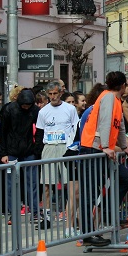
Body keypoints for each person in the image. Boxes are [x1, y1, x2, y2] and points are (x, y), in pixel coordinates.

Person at [79, 72, 128, 246]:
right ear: (122, 85)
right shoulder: (107, 98)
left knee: (125, 177)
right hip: (93, 148)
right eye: (127, 85)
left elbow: (119, 125)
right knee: (89, 192)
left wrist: (124, 146)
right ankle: (87, 233)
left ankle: (105, 212)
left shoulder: (116, 101)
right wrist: (106, 146)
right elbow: (106, 122)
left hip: (100, 149)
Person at [34, 81, 79, 230]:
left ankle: (72, 217)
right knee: (46, 185)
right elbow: (39, 133)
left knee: (70, 185)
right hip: (49, 147)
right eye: (50, 94)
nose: (53, 97)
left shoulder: (70, 109)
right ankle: (46, 217)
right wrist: (40, 151)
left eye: (55, 93)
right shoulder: (43, 112)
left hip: (65, 147)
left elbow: (76, 128)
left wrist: (73, 147)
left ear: (60, 93)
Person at [0, 88, 39, 224]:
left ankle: (34, 212)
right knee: (12, 185)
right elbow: (3, 132)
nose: (26, 108)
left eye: (29, 105)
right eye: (25, 105)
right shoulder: (9, 110)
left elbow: (38, 131)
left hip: (28, 151)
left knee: (32, 183)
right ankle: (13, 213)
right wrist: (3, 153)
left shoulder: (34, 110)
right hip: (12, 151)